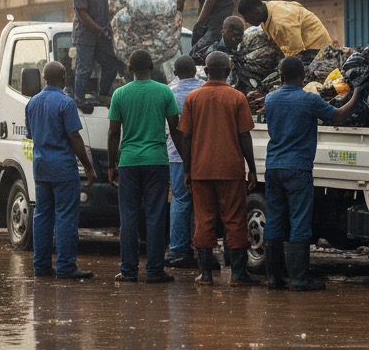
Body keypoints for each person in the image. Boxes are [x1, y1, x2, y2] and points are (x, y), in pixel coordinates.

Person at [262, 56, 361, 291]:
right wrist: (357, 93)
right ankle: (299, 279)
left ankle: (273, 278)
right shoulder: (308, 100)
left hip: (273, 167)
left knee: (275, 220)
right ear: (303, 76)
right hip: (297, 168)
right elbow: (339, 116)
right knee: (299, 221)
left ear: (281, 75)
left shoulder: (270, 99)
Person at [179, 50, 259, 287]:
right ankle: (238, 275)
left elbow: (185, 138)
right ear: (228, 71)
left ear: (206, 70)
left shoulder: (193, 98)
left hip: (201, 169)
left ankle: (205, 274)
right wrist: (252, 167)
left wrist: (187, 170)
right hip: (230, 169)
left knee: (204, 220)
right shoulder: (237, 97)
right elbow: (244, 135)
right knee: (234, 220)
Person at [107, 48, 182, 283]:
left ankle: (128, 271)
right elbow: (176, 130)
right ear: (152, 67)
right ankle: (155, 270)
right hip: (157, 161)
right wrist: (186, 162)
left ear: (130, 70)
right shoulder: (164, 93)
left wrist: (111, 165)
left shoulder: (119, 94)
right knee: (156, 215)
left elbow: (113, 132)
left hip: (129, 162)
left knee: (128, 217)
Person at [25, 61, 97, 279]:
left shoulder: (32, 103)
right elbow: (74, 136)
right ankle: (66, 266)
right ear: (64, 77)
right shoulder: (66, 103)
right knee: (65, 216)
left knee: (42, 216)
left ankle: (41, 266)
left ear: (45, 78)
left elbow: (31, 135)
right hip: (63, 168)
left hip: (41, 167)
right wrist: (88, 166)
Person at [70, 0, 136, 105]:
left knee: (111, 66)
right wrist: (99, 30)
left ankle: (103, 94)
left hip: (103, 31)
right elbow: (82, 14)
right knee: (85, 68)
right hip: (85, 33)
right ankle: (79, 98)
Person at [166, 56, 203, 268]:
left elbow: (168, 127)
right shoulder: (204, 90)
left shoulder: (170, 93)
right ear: (195, 71)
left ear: (175, 72)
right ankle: (202, 247)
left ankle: (179, 249)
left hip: (177, 156)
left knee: (180, 200)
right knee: (202, 202)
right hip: (203, 154)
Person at [236, 0, 332, 56]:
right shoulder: (267, 10)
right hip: (303, 47)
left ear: (257, 11)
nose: (246, 21)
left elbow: (296, 54)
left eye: (246, 17)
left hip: (316, 49)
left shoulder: (281, 23)